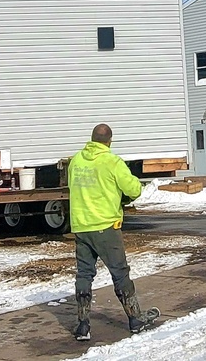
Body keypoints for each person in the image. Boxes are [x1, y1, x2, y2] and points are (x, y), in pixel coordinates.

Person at [67, 123, 158, 341]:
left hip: (81, 226)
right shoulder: (112, 161)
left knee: (84, 274)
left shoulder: (76, 161)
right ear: (109, 141)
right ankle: (135, 318)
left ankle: (83, 325)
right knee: (119, 272)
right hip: (105, 226)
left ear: (91, 139)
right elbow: (133, 189)